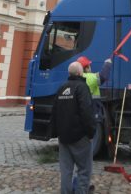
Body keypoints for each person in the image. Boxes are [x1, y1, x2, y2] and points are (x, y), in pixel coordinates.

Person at [49, 61, 96, 194]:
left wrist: (55, 132)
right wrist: (91, 133)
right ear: (81, 73)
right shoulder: (82, 87)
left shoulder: (62, 88)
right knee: (84, 170)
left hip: (63, 137)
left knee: (66, 171)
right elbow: (86, 112)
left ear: (69, 73)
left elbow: (54, 112)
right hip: (80, 137)